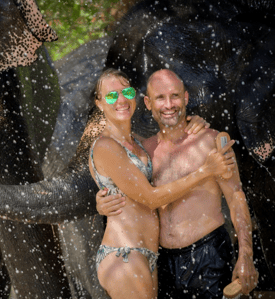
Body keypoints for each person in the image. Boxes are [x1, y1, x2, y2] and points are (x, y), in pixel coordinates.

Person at [96, 69, 258, 298]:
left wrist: (246, 255)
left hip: (207, 255)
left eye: (175, 96)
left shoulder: (212, 141)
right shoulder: (145, 151)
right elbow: (135, 192)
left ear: (186, 98)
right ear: (148, 103)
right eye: (160, 98)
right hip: (162, 261)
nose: (169, 104)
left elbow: (236, 197)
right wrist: (101, 202)